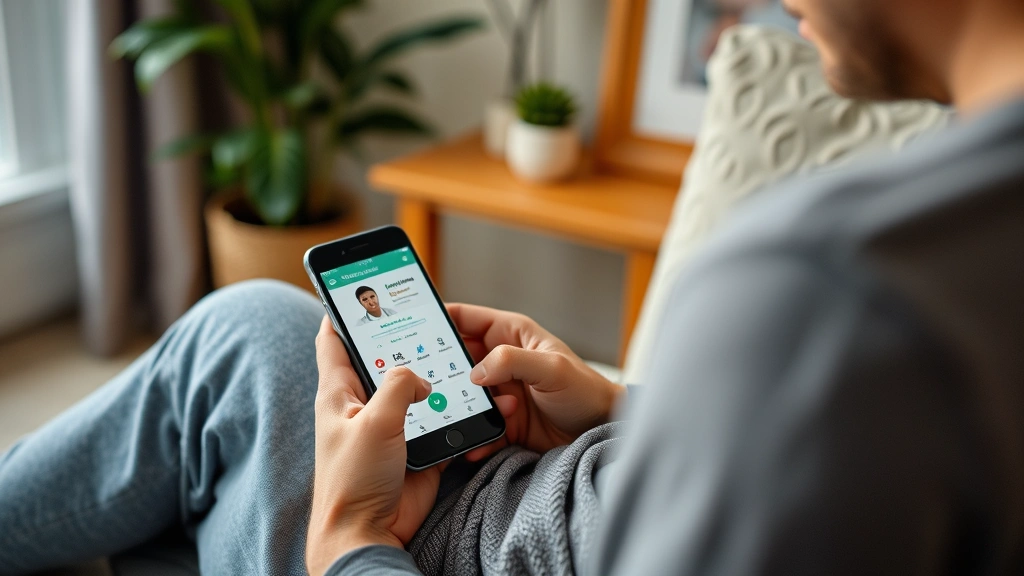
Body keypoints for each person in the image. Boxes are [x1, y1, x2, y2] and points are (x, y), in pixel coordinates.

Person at [2, 0, 1023, 574]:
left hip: (439, 548)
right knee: (252, 358)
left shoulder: (820, 298)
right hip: (536, 488)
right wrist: (629, 411)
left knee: (234, 346)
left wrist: (349, 543)